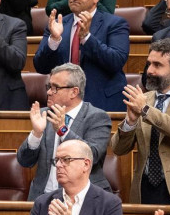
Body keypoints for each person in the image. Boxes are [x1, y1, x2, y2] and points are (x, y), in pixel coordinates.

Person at [110, 39, 170, 204]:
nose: (150, 70)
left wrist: (145, 111)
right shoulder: (143, 99)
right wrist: (130, 122)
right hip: (145, 187)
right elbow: (118, 149)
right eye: (149, 64)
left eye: (157, 65)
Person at [34, 0, 130, 113]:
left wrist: (86, 38)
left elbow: (115, 61)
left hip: (102, 104)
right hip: (64, 106)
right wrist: (54, 40)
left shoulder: (115, 24)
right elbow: (40, 66)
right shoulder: (58, 25)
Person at [17, 63, 113, 200]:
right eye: (49, 87)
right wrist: (36, 134)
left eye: (55, 88)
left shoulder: (96, 117)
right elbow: (24, 161)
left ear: (74, 92)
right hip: (43, 198)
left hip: (83, 200)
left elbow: (93, 155)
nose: (49, 92)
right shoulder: (44, 115)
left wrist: (63, 130)